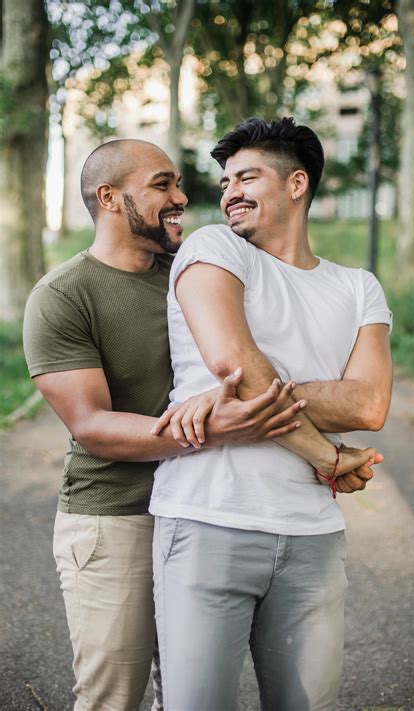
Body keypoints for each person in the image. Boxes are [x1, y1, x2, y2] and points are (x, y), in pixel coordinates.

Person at [22, 138, 307, 711]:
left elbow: (264, 357)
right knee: (114, 698)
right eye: (162, 185)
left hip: (200, 510)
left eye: (178, 184)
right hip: (116, 517)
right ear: (108, 197)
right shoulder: (62, 296)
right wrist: (215, 429)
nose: (181, 197)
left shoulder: (195, 273)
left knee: (184, 695)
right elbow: (93, 425)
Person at [149, 117, 393, 711]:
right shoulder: (214, 247)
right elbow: (233, 357)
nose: (229, 191)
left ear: (297, 184)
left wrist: (247, 391)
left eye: (247, 176)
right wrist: (330, 457)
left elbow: (369, 403)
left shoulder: (359, 287)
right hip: (208, 519)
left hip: (313, 535)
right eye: (226, 178)